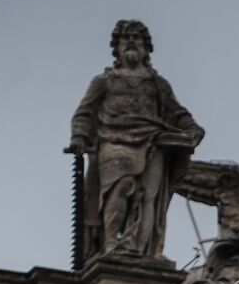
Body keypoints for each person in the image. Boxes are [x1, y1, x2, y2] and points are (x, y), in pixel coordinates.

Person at [67, 20, 204, 264]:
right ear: (117, 48)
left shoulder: (158, 84)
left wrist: (192, 128)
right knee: (121, 186)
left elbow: (177, 112)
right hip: (113, 140)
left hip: (153, 141)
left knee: (148, 196)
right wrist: (79, 136)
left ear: (146, 47)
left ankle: (142, 250)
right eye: (125, 38)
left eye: (137, 38)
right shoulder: (104, 81)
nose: (131, 42)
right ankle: (111, 243)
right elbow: (84, 112)